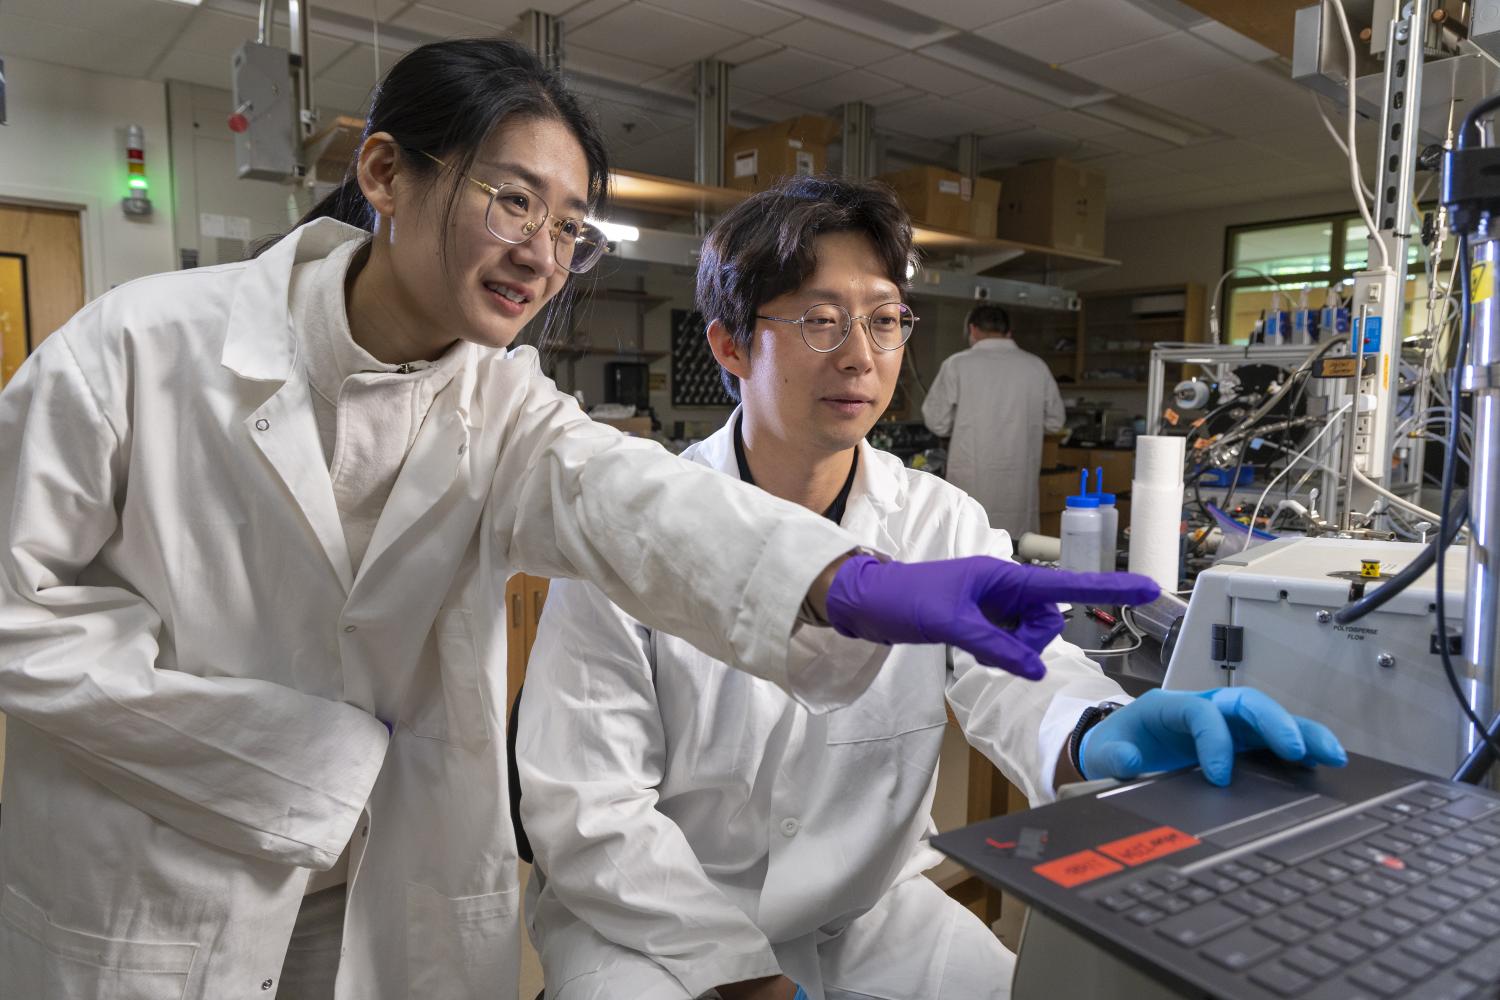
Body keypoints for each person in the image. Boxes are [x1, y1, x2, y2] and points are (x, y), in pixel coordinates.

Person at [0, 41, 1160, 1000]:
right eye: (515, 199)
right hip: (159, 875)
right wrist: (296, 758)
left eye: (569, 228)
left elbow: (636, 503)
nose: (542, 255)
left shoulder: (498, 400)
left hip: (393, 878)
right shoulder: (140, 348)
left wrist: (846, 586)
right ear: (387, 172)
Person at [516, 176, 1346, 1000]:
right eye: (819, 319)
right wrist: (747, 984)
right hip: (654, 932)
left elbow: (1019, 672)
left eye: (883, 320)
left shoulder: (938, 523)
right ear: (731, 346)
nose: (860, 356)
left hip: (868, 916)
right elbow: (593, 815)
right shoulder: (630, 530)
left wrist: (1099, 728)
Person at [921, 304, 1066, 537]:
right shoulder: (1036, 366)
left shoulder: (957, 364)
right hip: (1019, 480)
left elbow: (936, 421)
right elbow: (1055, 422)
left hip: (972, 473)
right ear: (1008, 332)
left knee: (969, 541)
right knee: (1016, 549)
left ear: (973, 330)